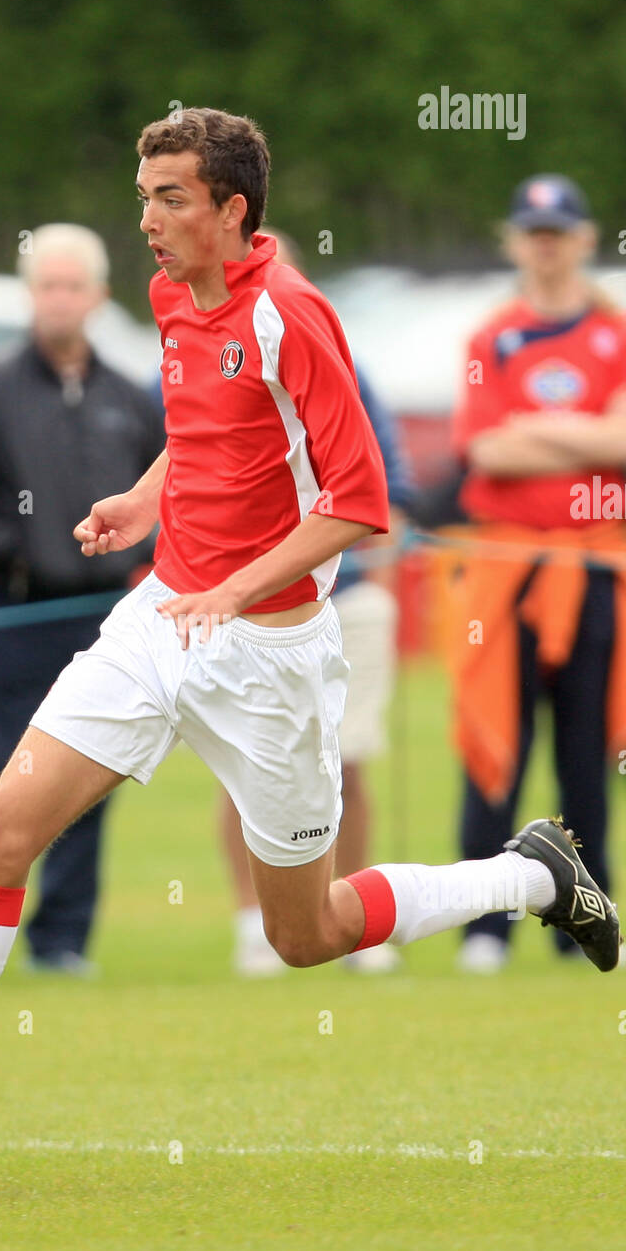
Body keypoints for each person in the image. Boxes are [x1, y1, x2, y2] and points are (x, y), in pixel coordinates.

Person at [0, 113, 622, 1182]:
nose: (148, 220)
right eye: (144, 196)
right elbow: (210, 425)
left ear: (234, 209)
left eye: (171, 198)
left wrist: (233, 588)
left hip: (271, 658)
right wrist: (142, 499)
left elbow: (362, 505)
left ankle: (529, 878)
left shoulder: (297, 315)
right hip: (161, 619)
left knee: (304, 932)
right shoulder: (176, 295)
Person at [0, 224, 164, 975]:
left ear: (97, 296)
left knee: (89, 772)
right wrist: (16, 554)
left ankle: (61, 939)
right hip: (14, 613)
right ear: (29, 293)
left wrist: (135, 558)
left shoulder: (129, 395)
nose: (59, 299)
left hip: (101, 619)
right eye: (46, 285)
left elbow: (169, 496)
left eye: (73, 285)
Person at [449, 175, 626, 974]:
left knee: (586, 750)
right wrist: (586, 431)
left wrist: (534, 424)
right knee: (494, 741)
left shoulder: (622, 332)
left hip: (590, 563)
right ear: (513, 241)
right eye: (531, 231)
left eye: (557, 231)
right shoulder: (491, 337)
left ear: (583, 238)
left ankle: (587, 926)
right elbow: (485, 449)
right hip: (506, 565)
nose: (544, 244)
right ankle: (484, 927)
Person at [226, 228, 414, 976]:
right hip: (245, 607)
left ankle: (350, 916)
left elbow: (386, 492)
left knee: (349, 760)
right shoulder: (207, 356)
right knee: (245, 768)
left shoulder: (341, 364)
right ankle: (254, 920)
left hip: (344, 598)